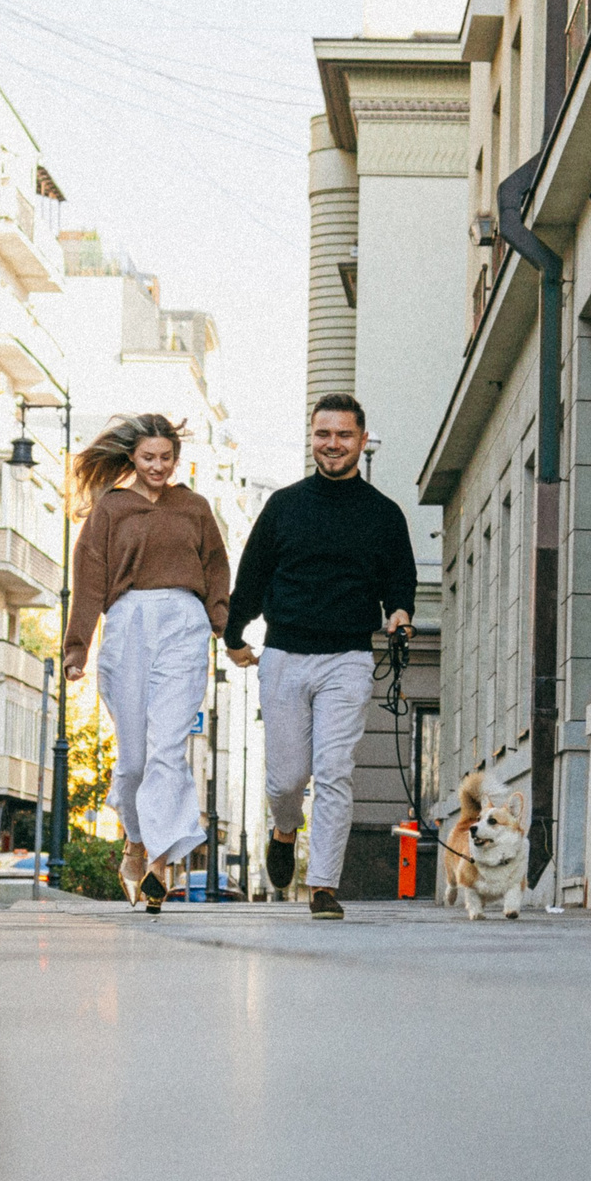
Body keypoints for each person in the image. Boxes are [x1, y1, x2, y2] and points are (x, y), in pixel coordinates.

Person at [226, 394, 418, 920]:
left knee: (334, 771)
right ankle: (284, 830)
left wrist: (400, 612)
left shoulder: (383, 514)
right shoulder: (284, 506)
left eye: (343, 435)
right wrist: (234, 634)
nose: (332, 444)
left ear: (361, 439)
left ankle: (324, 886)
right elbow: (252, 577)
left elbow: (400, 581)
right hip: (285, 653)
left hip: (349, 658)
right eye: (323, 434)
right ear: (312, 437)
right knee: (286, 778)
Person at [61, 413, 231, 916]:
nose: (158, 466)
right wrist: (76, 648)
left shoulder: (195, 507)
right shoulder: (111, 509)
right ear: (132, 457)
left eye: (166, 458)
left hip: (184, 621)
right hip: (129, 624)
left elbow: (217, 567)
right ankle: (135, 842)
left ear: (177, 458)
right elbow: (89, 578)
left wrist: (221, 622)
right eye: (148, 457)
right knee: (134, 759)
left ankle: (160, 863)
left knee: (167, 749)